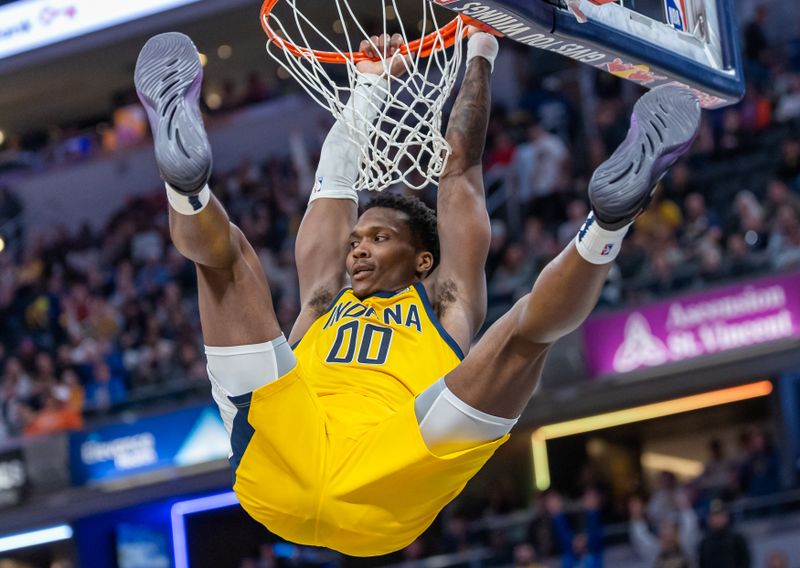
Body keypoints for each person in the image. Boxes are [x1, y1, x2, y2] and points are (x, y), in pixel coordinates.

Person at [134, 30, 701, 556]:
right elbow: (333, 182)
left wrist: (480, 50)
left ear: (422, 261)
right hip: (299, 443)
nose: (356, 247)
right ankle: (187, 185)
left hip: (388, 450)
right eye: (356, 239)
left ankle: (607, 219)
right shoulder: (326, 296)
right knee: (229, 259)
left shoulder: (444, 302)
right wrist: (372, 86)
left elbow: (461, 170)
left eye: (379, 238)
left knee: (522, 334)